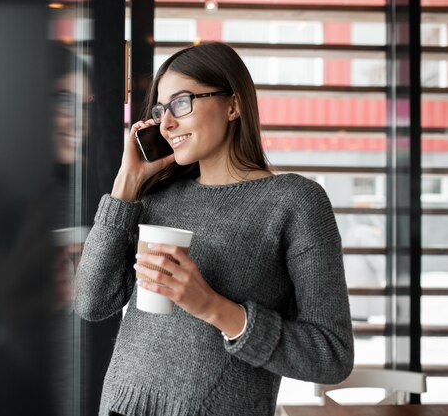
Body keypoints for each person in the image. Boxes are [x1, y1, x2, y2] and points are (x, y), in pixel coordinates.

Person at [75, 42, 354, 416]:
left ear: (233, 105)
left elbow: (331, 355)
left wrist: (213, 307)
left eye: (181, 103)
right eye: (160, 110)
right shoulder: (155, 197)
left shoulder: (295, 202)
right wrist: (126, 183)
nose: (167, 123)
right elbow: (91, 303)